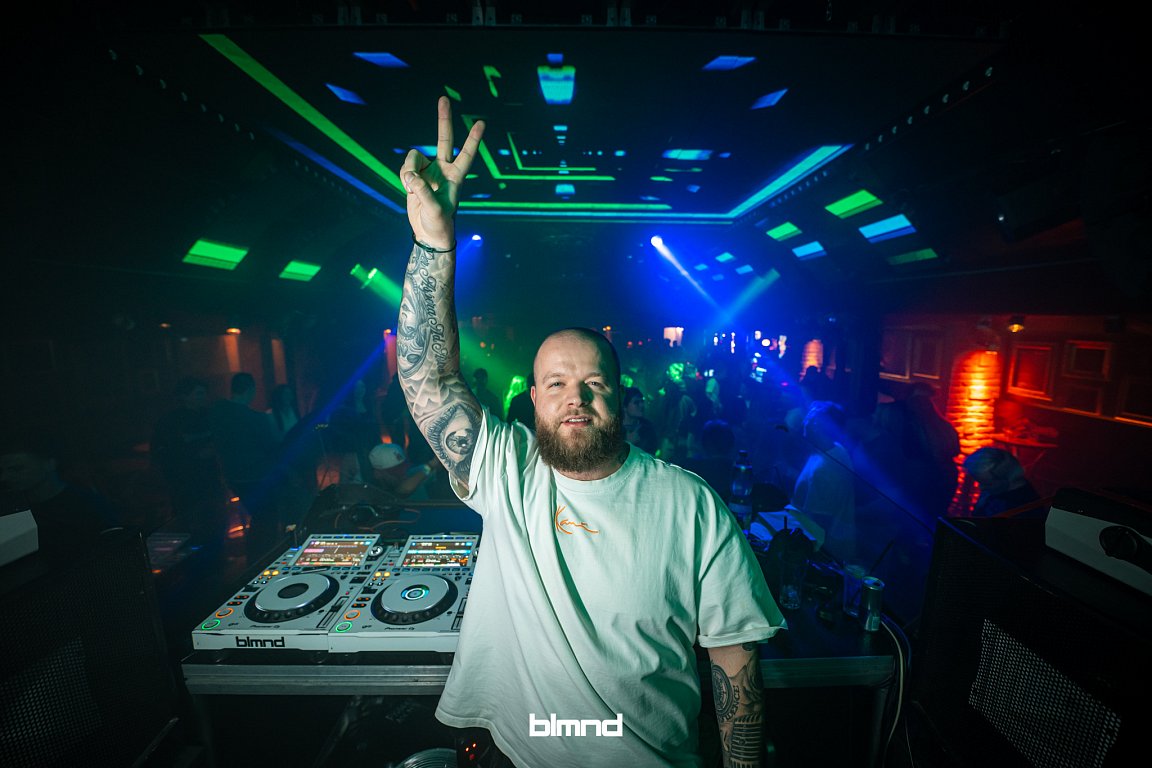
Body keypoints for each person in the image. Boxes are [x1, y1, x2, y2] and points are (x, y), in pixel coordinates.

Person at [396, 96, 783, 768]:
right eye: (555, 384)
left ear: (621, 398)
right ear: (532, 401)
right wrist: (433, 245)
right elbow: (426, 378)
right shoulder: (507, 470)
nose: (574, 398)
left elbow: (733, 654)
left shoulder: (690, 503)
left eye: (593, 383)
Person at [0, 429, 120, 561]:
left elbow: (113, 550)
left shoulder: (88, 505)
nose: (4, 478)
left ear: (50, 464)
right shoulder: (10, 511)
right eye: (2, 471)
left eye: (17, 468)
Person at [149, 376, 229, 548]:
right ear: (184, 396)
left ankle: (216, 556)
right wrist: (196, 455)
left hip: (210, 480)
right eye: (198, 393)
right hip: (185, 484)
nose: (203, 397)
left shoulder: (209, 416)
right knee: (190, 526)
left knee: (215, 522)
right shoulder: (170, 421)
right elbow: (163, 452)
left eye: (204, 393)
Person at [210, 372, 282, 560]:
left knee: (259, 517)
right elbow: (272, 446)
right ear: (251, 390)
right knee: (266, 519)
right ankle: (260, 560)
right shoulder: (255, 418)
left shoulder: (217, 412)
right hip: (257, 476)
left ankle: (255, 559)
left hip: (233, 476)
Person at [788, 401, 856, 561]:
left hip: (819, 551)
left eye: (808, 419)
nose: (803, 423)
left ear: (817, 426)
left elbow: (818, 526)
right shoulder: (836, 449)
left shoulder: (825, 470)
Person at [962, 446, 1042, 517]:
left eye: (987, 483)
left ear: (1008, 477)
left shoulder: (1024, 507)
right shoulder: (997, 488)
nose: (981, 487)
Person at [366, 442, 443, 500]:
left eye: (403, 466)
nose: (403, 472)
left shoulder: (415, 473)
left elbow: (437, 466)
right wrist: (431, 465)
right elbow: (403, 491)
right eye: (395, 470)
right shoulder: (372, 493)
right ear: (377, 474)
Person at [621, 386, 659, 454]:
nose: (641, 405)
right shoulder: (615, 427)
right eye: (636, 402)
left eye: (642, 401)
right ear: (625, 407)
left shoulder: (647, 428)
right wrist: (628, 443)